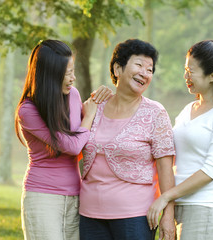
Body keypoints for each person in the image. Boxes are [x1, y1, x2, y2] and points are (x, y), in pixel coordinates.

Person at [79, 39, 176, 240]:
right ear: (117, 68)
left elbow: (165, 168)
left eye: (150, 70)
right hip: (89, 215)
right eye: (139, 65)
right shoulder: (95, 107)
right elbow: (74, 147)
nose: (145, 73)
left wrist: (168, 215)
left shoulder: (155, 113)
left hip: (136, 217)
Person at [14, 39, 112, 240]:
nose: (73, 78)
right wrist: (89, 115)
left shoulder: (73, 95)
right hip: (43, 197)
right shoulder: (28, 110)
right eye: (67, 73)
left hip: (76, 196)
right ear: (50, 74)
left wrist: (99, 103)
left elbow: (87, 134)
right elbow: (72, 145)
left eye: (73, 71)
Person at [147, 40, 213, 240]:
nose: (186, 76)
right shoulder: (187, 110)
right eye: (185, 69)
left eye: (192, 71)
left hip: (203, 207)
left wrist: (167, 196)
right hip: (178, 205)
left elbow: (210, 170)